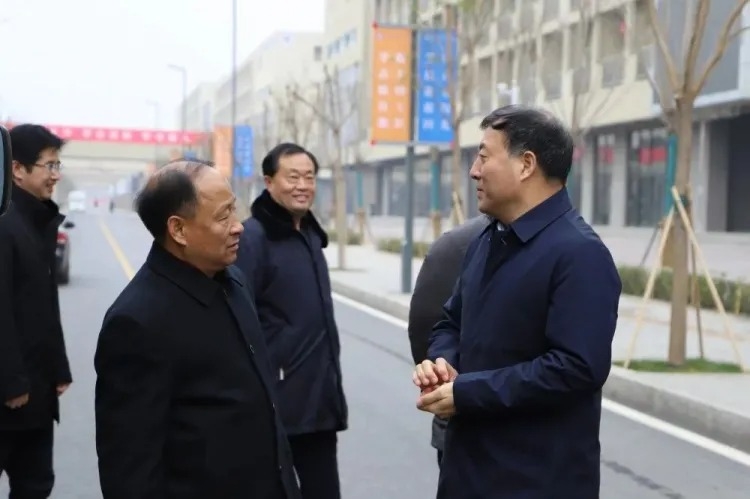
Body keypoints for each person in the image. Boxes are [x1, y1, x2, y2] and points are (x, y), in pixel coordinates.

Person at [413, 106, 622, 499]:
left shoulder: (580, 254)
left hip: (536, 481)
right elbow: (451, 322)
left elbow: (575, 368)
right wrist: (442, 364)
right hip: (467, 471)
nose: (474, 171)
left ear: (526, 164)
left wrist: (468, 392)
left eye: (484, 156)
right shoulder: (488, 240)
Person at [94, 160, 301, 499]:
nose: (238, 227)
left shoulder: (234, 281)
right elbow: (130, 468)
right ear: (178, 230)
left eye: (234, 210)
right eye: (223, 217)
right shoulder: (137, 322)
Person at [235, 143, 347, 499]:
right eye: (293, 177)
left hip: (319, 401)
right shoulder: (251, 239)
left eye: (309, 177)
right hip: (275, 405)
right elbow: (238, 321)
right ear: (269, 182)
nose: (302, 186)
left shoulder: (310, 235)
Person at [0, 124, 72, 499]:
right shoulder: (5, 225)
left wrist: (58, 367)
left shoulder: (35, 222)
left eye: (58, 164)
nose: (55, 175)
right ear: (17, 169)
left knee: (36, 484)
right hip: (11, 394)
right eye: (49, 165)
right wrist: (11, 382)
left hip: (36, 390)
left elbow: (44, 305)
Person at [407, 215, 487, 468]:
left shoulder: (571, 248)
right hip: (465, 422)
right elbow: (434, 323)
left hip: (457, 417)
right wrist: (445, 376)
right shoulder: (462, 244)